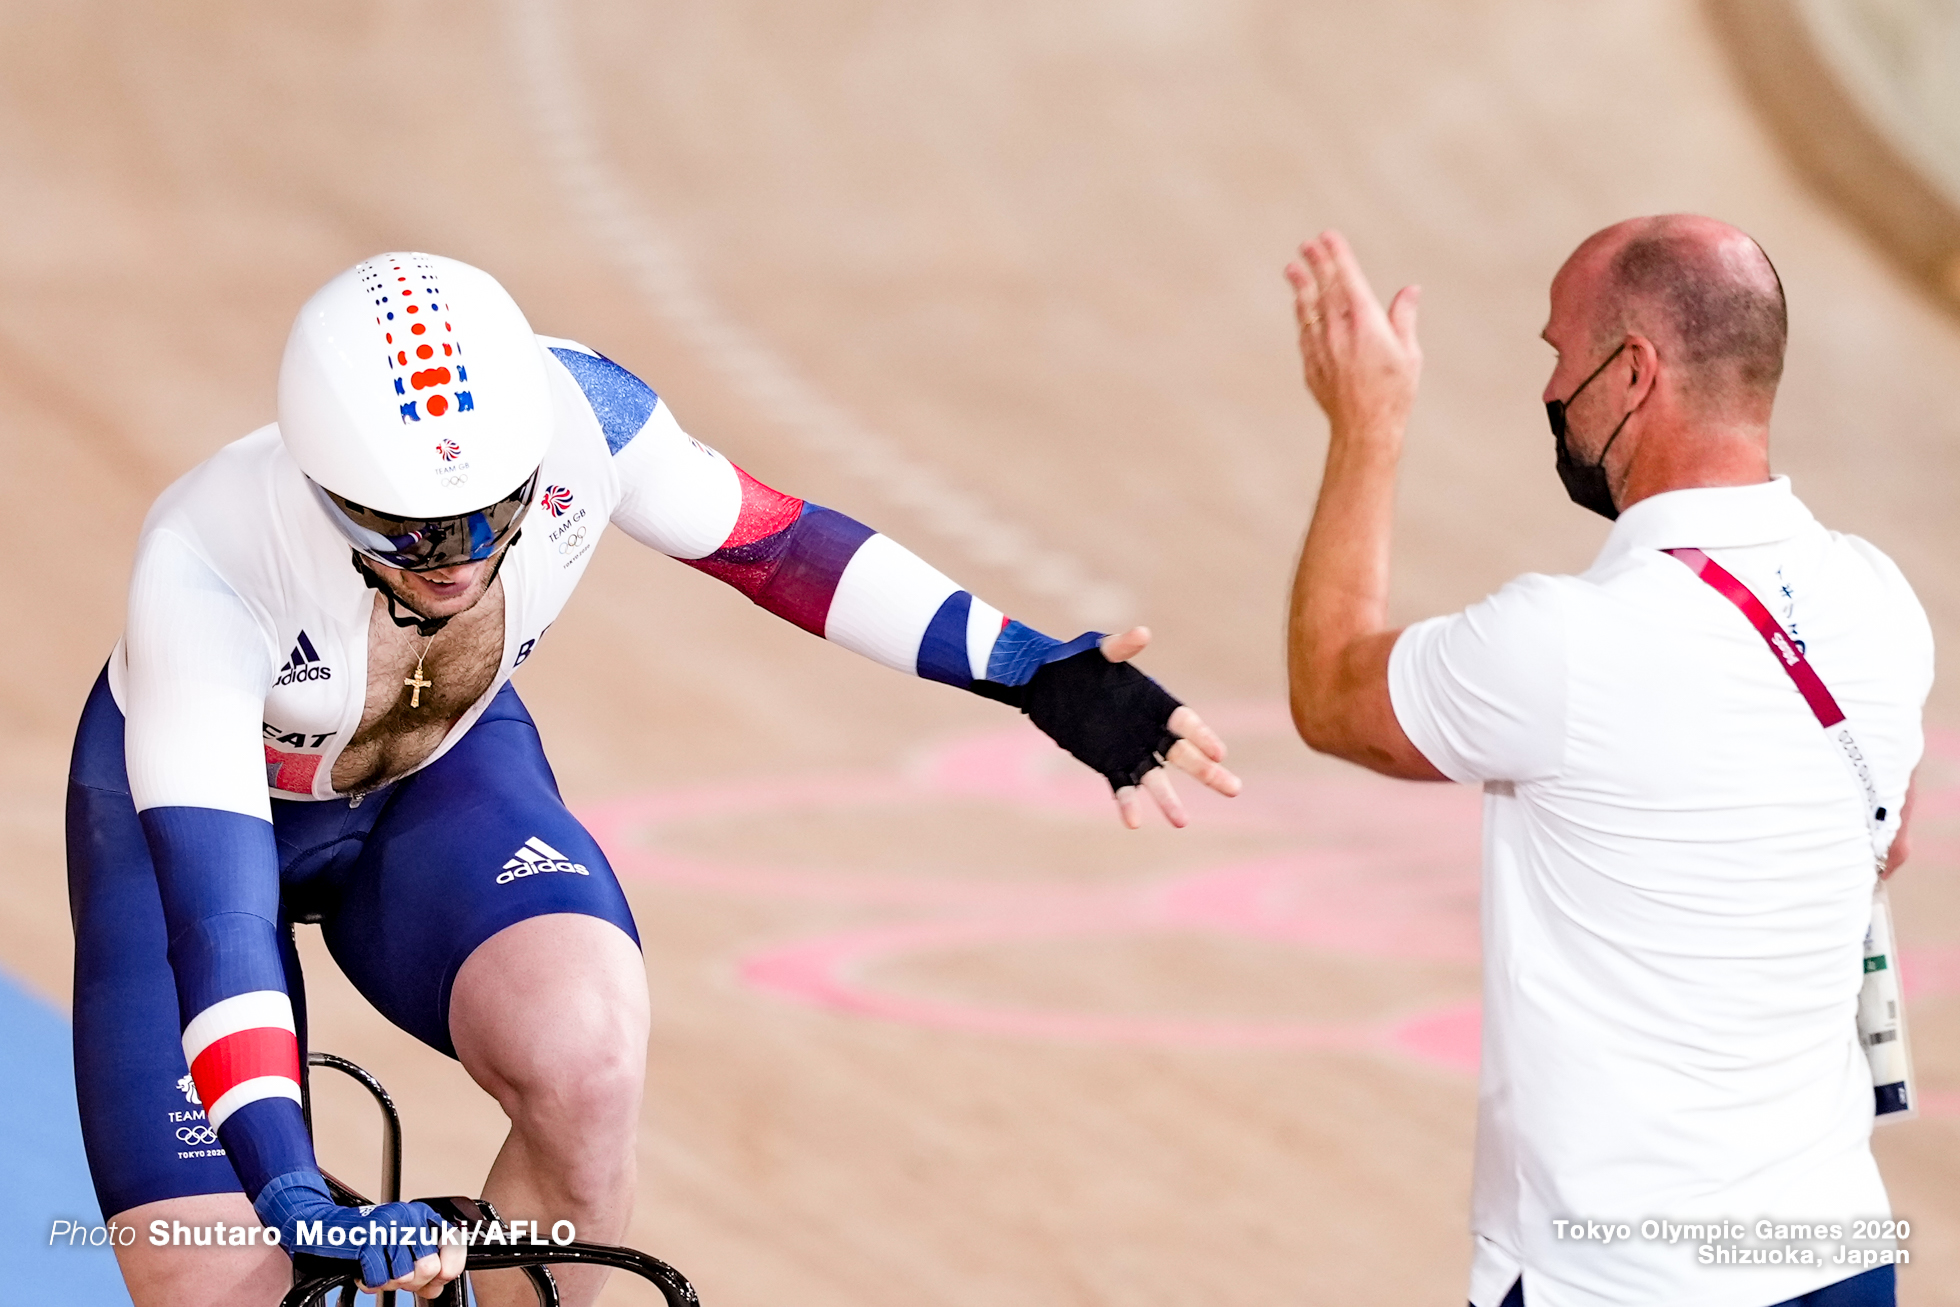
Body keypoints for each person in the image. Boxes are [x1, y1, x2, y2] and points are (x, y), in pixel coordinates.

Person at [68, 251, 1241, 1306]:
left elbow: (779, 546)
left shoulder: (585, 411)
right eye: (418, 534)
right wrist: (286, 1190)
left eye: (495, 516)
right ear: (329, 493)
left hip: (432, 769)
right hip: (197, 837)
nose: (462, 563)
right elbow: (218, 920)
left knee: (587, 1055)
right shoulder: (202, 571)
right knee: (217, 1281)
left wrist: (1031, 671)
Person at [1282, 219, 1928, 1307]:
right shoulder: (1879, 599)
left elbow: (1331, 689)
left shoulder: (1562, 643)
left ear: (1632, 373)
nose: (1546, 389)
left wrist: (1367, 427)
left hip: (1617, 1276)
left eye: (1555, 356)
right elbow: (1883, 837)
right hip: (1835, 1256)